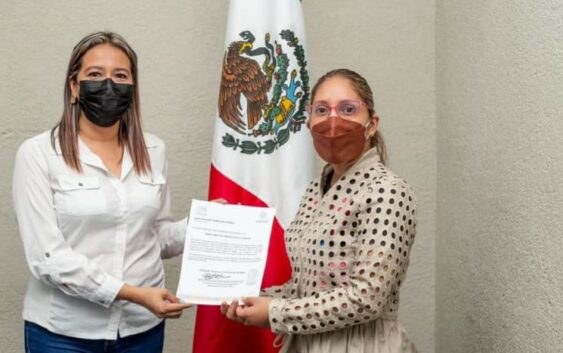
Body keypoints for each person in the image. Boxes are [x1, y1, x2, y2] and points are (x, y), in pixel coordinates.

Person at [12, 31, 190, 353]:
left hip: (142, 331)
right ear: (74, 86)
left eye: (120, 76)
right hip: (63, 334)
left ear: (132, 88)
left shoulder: (154, 150)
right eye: (95, 74)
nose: (109, 85)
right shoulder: (38, 154)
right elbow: (47, 258)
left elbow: (155, 236)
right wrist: (133, 293)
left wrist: (207, 225)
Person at [221, 68, 418, 352]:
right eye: (322, 110)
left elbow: (367, 298)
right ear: (308, 121)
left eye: (348, 109)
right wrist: (253, 298)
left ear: (372, 123)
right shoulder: (317, 188)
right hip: (307, 343)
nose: (333, 120)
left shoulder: (387, 190)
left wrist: (276, 312)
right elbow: (310, 285)